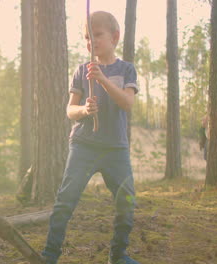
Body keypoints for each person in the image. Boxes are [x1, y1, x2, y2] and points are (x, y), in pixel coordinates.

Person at [42, 11, 139, 264]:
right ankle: (49, 256)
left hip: (115, 149)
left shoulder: (126, 69)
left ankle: (118, 256)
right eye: (87, 37)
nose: (91, 42)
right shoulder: (81, 70)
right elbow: (69, 110)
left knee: (127, 202)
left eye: (97, 35)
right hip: (84, 145)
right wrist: (84, 110)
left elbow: (127, 103)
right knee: (66, 200)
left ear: (115, 37)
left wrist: (103, 79)